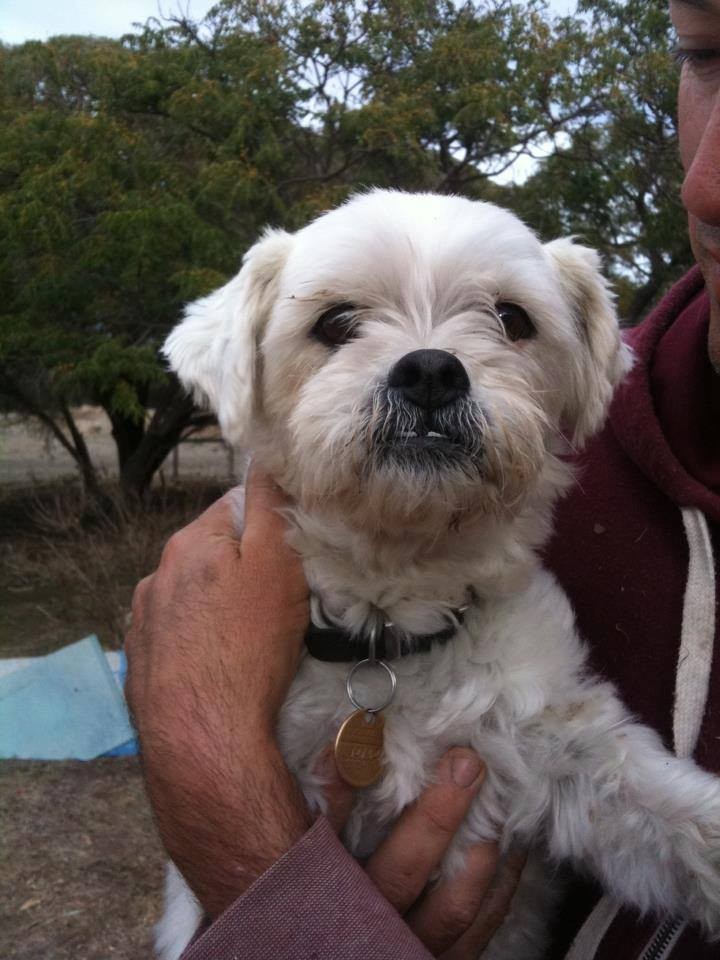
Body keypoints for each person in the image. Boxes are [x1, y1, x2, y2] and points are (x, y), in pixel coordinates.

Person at [124, 1, 720, 957]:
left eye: (509, 324)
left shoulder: (527, 659)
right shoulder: (225, 643)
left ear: (578, 377)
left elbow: (649, 816)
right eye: (338, 326)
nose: (430, 367)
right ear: (248, 378)